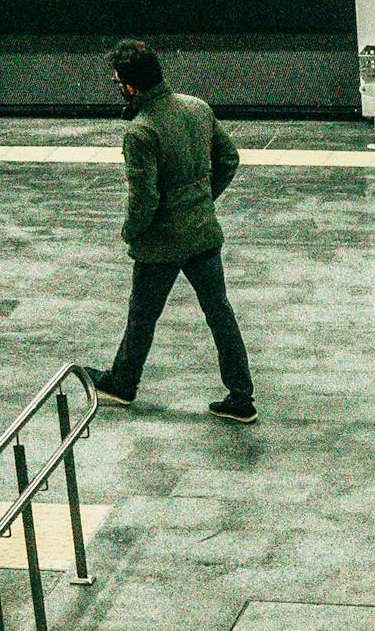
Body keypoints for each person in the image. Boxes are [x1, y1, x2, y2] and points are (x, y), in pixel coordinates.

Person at [88, 40, 258, 424]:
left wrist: (131, 232)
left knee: (143, 315)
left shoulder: (141, 131)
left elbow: (144, 198)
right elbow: (228, 159)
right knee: (220, 312)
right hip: (202, 233)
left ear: (131, 86)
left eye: (118, 81)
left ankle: (123, 382)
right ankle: (241, 395)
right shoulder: (197, 107)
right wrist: (203, 199)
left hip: (160, 243)